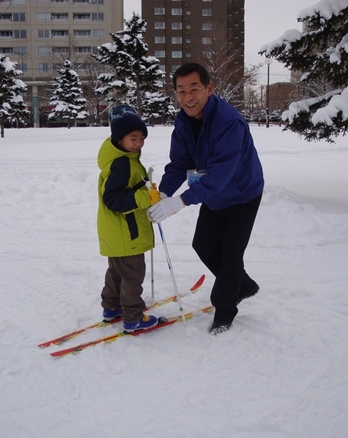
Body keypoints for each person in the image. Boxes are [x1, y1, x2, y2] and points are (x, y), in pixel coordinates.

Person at [148, 63, 265, 335]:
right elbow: (180, 163)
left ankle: (225, 310)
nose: (188, 97)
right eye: (181, 91)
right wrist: (164, 193)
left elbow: (221, 174)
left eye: (194, 89)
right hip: (214, 194)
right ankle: (243, 286)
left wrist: (179, 202)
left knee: (231, 253)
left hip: (242, 194)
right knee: (203, 244)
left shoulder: (229, 122)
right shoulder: (184, 121)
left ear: (209, 88)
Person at [97, 104, 161, 332]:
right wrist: (146, 197)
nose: (139, 143)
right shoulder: (122, 164)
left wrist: (144, 190)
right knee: (133, 274)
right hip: (127, 232)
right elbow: (113, 199)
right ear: (119, 138)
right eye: (133, 138)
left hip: (116, 233)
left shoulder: (121, 160)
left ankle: (112, 307)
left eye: (142, 138)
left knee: (117, 272)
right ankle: (133, 317)